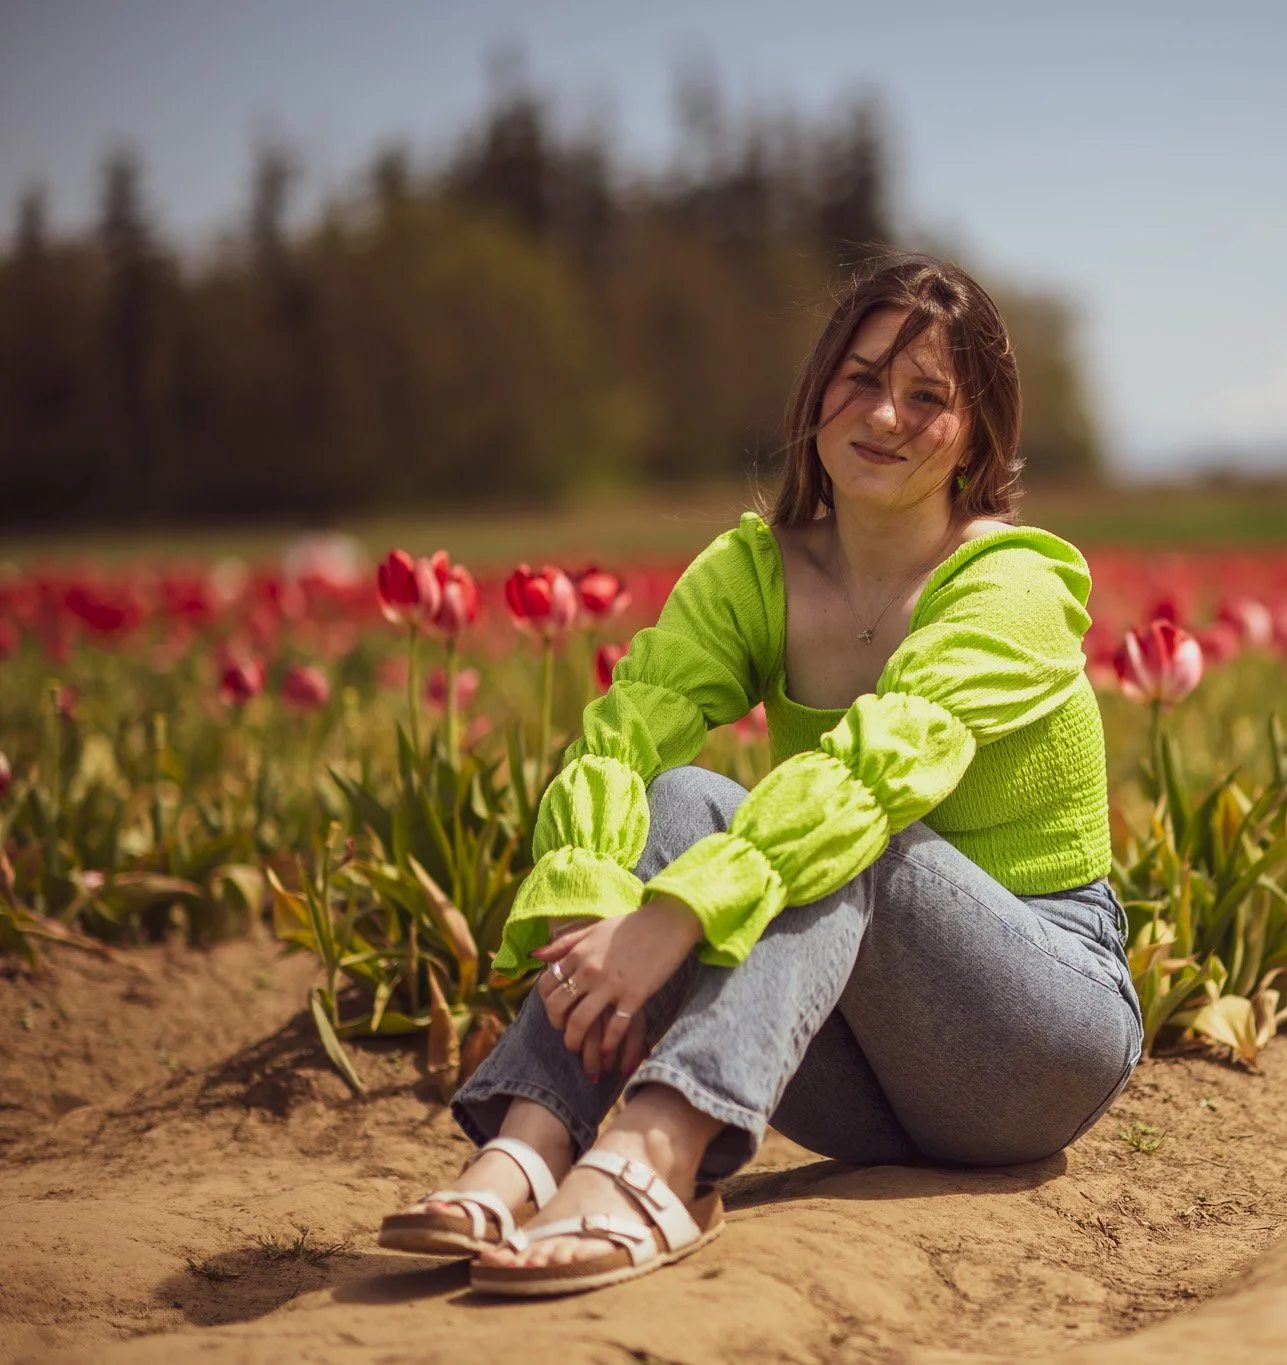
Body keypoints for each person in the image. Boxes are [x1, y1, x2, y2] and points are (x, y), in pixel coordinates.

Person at [377, 253, 1141, 1297]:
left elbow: (870, 779)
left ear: (977, 436)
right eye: (861, 377)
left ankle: (652, 1159)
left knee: (844, 831)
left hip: (1033, 1037)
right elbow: (615, 745)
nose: (883, 414)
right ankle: (530, 1141)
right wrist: (599, 905)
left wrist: (668, 923)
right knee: (677, 798)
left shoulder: (1013, 584)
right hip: (854, 1081)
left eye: (927, 397)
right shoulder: (754, 572)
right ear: (816, 388)